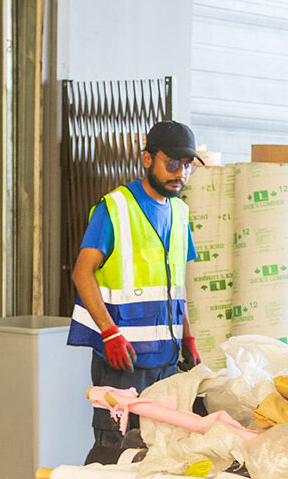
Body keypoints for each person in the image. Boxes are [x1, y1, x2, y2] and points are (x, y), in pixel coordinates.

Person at [67, 120, 203, 450]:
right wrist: (109, 333)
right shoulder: (114, 208)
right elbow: (82, 274)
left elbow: (175, 285)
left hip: (167, 363)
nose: (180, 173)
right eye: (172, 164)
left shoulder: (180, 212)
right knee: (114, 453)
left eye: (187, 166)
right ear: (146, 159)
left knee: (157, 454)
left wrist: (187, 336)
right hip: (123, 363)